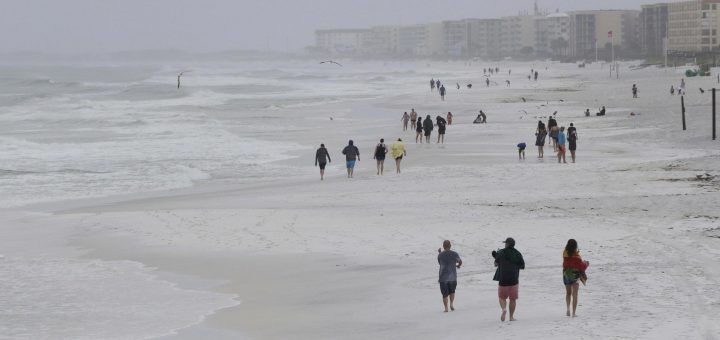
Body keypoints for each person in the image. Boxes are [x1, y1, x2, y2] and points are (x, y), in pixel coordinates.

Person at [492, 237, 525, 322]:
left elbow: (496, 264)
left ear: (507, 244)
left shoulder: (501, 252)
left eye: (505, 243)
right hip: (514, 279)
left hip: (503, 278)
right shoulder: (518, 253)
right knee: (513, 299)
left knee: (502, 297)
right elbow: (522, 266)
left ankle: (503, 309)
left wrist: (496, 257)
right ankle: (511, 317)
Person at [563, 239, 589, 318]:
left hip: (566, 274)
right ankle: (573, 313)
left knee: (568, 293)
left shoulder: (565, 253)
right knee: (575, 294)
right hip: (575, 275)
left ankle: (568, 309)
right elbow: (581, 267)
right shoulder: (577, 256)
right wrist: (586, 264)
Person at [438, 240, 462, 313]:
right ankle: (451, 304)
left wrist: (440, 253)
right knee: (452, 291)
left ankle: (446, 308)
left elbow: (440, 263)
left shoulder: (440, 255)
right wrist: (458, 265)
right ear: (450, 246)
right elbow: (460, 261)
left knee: (444, 294)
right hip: (452, 276)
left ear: (443, 246)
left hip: (443, 277)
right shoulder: (454, 254)